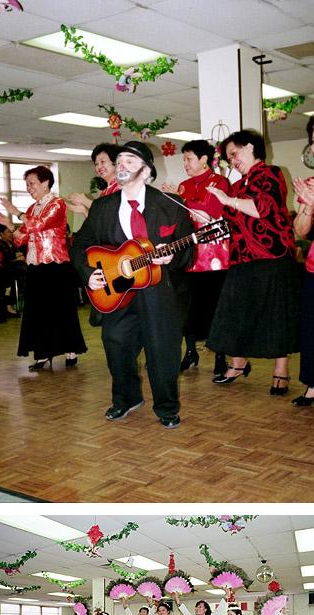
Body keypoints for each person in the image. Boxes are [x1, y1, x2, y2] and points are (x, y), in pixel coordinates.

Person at [71, 141, 193, 428]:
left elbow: (188, 251)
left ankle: (166, 407)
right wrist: (88, 272)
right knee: (115, 343)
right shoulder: (103, 206)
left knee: (161, 350)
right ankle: (126, 398)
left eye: (130, 159)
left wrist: (173, 256)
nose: (121, 164)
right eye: (120, 160)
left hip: (158, 291)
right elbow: (80, 245)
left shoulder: (170, 204)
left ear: (146, 169)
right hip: (116, 290)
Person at [206, 129, 301, 395]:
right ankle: (238, 364)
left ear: (250, 147)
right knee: (234, 310)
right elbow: (230, 219)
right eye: (229, 158)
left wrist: (229, 201)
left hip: (273, 255)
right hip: (242, 258)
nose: (233, 161)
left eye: (234, 154)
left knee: (276, 315)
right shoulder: (238, 184)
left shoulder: (271, 173)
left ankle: (280, 372)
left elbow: (262, 208)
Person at [0, 165, 87, 371]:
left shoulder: (57, 203)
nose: (29, 188)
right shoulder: (32, 208)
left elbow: (38, 225)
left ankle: (71, 350)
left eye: (32, 183)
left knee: (61, 310)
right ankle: (43, 353)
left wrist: (15, 212)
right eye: (27, 185)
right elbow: (22, 238)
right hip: (36, 265)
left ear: (45, 183)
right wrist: (9, 225)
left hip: (56, 265)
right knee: (38, 311)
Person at [162, 139, 229, 375]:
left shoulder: (219, 182)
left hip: (213, 258)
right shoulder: (183, 185)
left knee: (214, 307)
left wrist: (179, 200)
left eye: (189, 158)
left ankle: (221, 355)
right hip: (188, 255)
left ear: (204, 160)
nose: (186, 163)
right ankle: (190, 352)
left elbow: (209, 212)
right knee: (187, 307)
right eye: (184, 159)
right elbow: (181, 218)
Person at [292, 176, 314, 406]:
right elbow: (300, 230)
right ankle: (312, 385)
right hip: (313, 268)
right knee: (310, 329)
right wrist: (309, 205)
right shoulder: (311, 183)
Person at [68, 143, 120, 219]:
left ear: (115, 162)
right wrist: (84, 210)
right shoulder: (105, 191)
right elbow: (99, 223)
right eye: (96, 164)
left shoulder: (121, 187)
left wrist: (85, 201)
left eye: (103, 162)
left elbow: (111, 213)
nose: (99, 167)